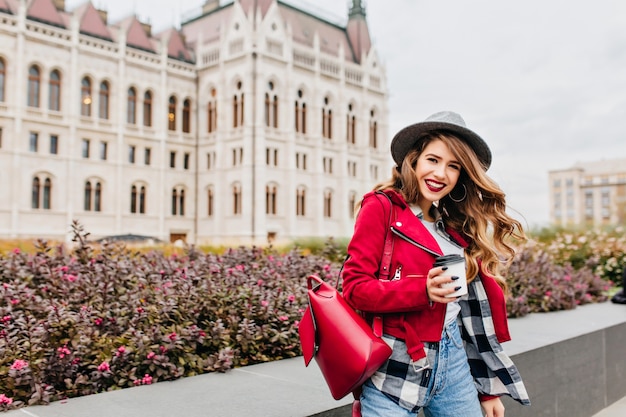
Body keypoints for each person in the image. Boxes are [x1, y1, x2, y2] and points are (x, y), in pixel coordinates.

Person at [342, 111, 531, 417]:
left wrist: (486, 389)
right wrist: (422, 290)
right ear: (413, 161)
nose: (441, 173)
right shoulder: (381, 208)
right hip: (395, 364)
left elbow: (469, 317)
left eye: (453, 166)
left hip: (453, 362)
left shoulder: (455, 225)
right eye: (433, 160)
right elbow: (355, 289)